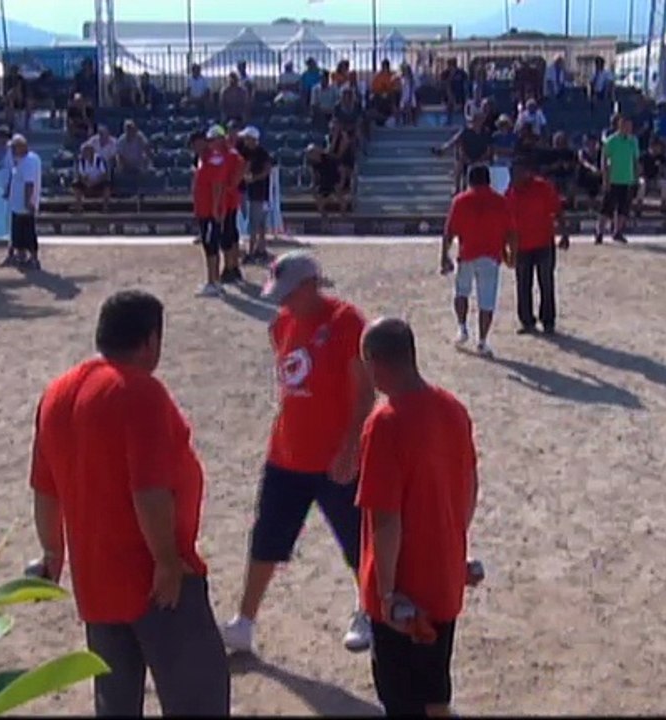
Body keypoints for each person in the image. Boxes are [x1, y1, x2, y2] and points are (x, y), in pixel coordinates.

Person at [29, 290, 230, 717]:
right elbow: (149, 490)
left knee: (116, 703)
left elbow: (45, 491)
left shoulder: (56, 395)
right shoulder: (140, 392)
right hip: (155, 585)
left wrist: (52, 554)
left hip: (96, 583)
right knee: (199, 697)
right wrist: (168, 562)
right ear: (151, 341)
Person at [219, 252, 376, 655]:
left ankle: (368, 610)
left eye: (289, 293)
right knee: (266, 538)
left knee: (358, 541)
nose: (283, 302)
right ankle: (244, 622)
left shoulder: (346, 323)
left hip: (335, 460)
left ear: (311, 286)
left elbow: (364, 394)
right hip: (286, 455)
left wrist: (350, 446)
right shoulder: (282, 323)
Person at [356, 317, 479, 718]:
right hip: (444, 582)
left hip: (406, 595)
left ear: (375, 362)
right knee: (435, 692)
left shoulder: (385, 423)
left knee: (401, 700)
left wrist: (388, 594)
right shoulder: (453, 410)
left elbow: (386, 519)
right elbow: (469, 490)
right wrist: (453, 545)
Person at [441, 165, 518, 357]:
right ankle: (482, 341)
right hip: (491, 256)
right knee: (487, 301)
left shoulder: (460, 201)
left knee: (461, 293)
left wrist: (444, 256)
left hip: (467, 253)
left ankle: (462, 328)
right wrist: (512, 256)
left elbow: (449, 232)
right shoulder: (500, 201)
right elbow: (511, 233)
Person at [504, 160, 564, 335]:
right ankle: (526, 320)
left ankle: (548, 320)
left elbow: (557, 209)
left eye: (517, 173)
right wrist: (506, 247)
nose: (514, 177)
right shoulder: (510, 193)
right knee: (523, 284)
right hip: (521, 246)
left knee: (546, 283)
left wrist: (564, 233)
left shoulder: (543, 187)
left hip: (544, 243)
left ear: (527, 172)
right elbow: (505, 222)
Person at [192, 125, 245, 296]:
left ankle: (216, 279)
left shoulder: (217, 159)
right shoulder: (209, 159)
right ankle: (218, 277)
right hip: (209, 207)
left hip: (214, 208)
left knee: (216, 243)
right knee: (216, 242)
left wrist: (216, 206)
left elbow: (218, 184)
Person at [598, 116, 639, 244]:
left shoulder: (633, 141)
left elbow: (635, 160)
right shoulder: (611, 141)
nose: (628, 129)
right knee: (606, 208)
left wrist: (636, 177)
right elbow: (604, 160)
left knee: (623, 208)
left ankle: (618, 231)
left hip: (627, 179)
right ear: (619, 126)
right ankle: (599, 232)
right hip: (613, 179)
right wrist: (605, 178)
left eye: (630, 126)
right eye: (626, 126)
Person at [4, 134, 43, 269]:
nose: (13, 151)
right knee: (19, 234)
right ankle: (21, 258)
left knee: (28, 233)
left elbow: (29, 184)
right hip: (17, 204)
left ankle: (33, 259)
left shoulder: (28, 161)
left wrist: (28, 202)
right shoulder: (22, 160)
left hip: (24, 204)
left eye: (15, 147)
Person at [237, 126, 273, 264]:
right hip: (250, 191)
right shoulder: (245, 152)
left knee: (256, 222)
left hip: (260, 192)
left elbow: (267, 170)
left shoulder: (262, 153)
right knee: (257, 222)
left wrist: (254, 178)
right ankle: (260, 249)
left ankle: (253, 251)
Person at [71, 144, 112, 212]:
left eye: (87, 151)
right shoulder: (81, 161)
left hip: (98, 182)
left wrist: (95, 182)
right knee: (76, 184)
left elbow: (104, 174)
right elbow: (81, 175)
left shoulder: (99, 159)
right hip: (87, 183)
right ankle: (79, 206)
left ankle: (105, 206)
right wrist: (86, 183)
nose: (84, 154)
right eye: (83, 152)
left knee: (107, 184)